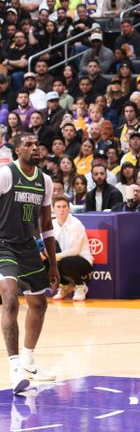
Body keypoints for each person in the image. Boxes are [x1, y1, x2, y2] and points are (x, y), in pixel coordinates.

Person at [0, 133, 59, 393]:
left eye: (37, 144)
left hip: (28, 247)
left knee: (39, 303)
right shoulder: (5, 174)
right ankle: (14, 369)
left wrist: (54, 265)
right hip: (3, 245)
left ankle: (28, 360)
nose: (35, 148)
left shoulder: (45, 181)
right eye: (28, 145)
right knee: (10, 299)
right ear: (17, 151)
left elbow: (46, 225)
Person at [51, 194, 92, 301]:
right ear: (53, 208)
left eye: (64, 207)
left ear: (69, 208)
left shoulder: (76, 224)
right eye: (58, 207)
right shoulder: (51, 224)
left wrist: (55, 257)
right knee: (42, 262)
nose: (61, 210)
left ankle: (80, 286)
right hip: (62, 258)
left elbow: (75, 251)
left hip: (82, 261)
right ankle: (65, 285)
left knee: (66, 262)